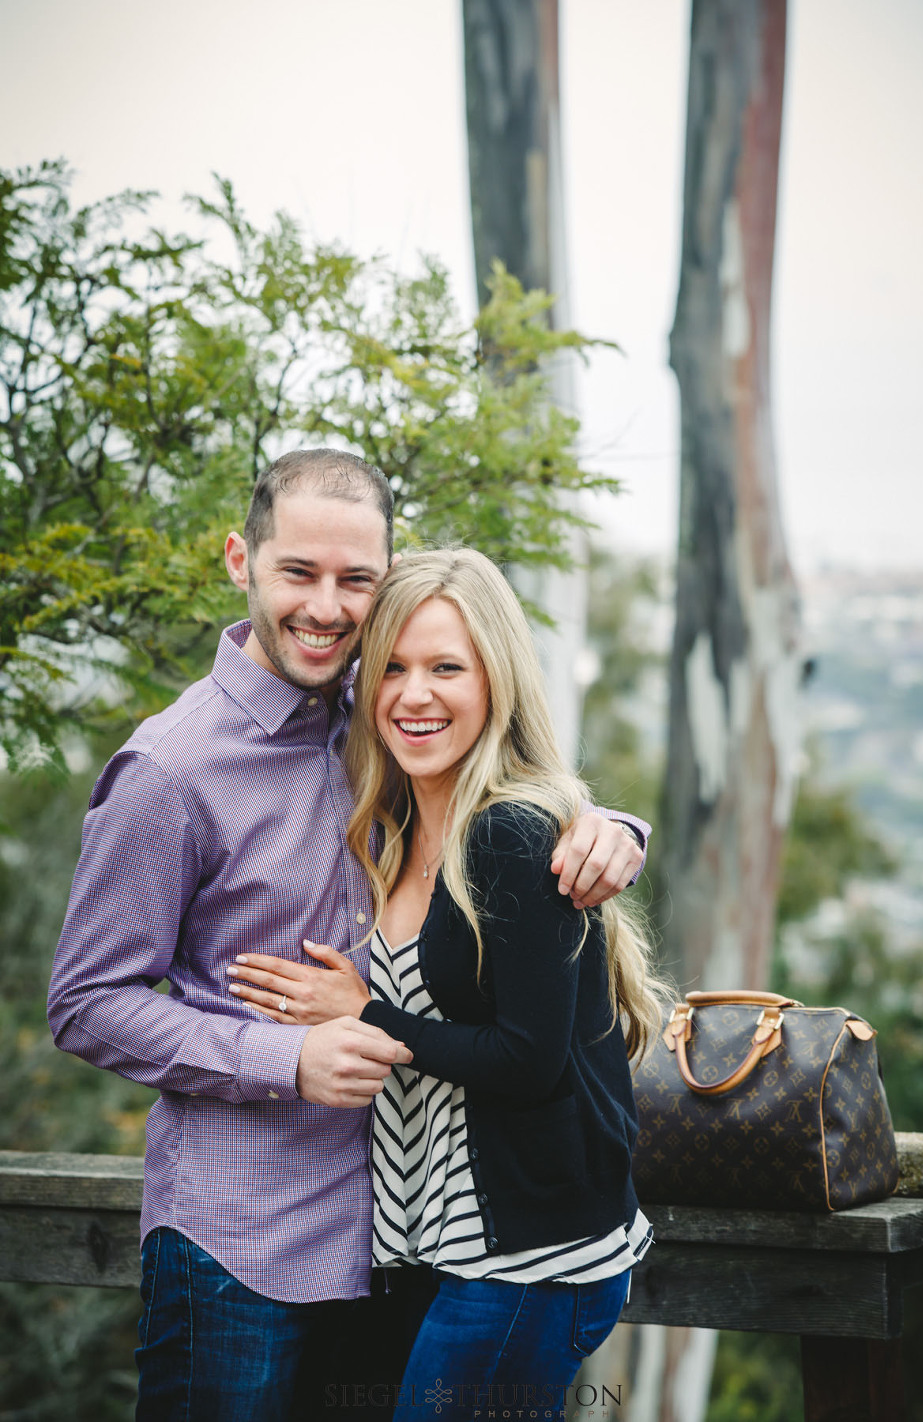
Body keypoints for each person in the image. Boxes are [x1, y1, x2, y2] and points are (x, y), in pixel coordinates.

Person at [46, 450, 650, 1422]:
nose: (326, 607)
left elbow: (489, 780)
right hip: (236, 1247)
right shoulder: (169, 771)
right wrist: (284, 1056)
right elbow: (83, 1003)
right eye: (299, 573)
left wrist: (609, 831)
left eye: (354, 580)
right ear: (241, 560)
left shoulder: (370, 720)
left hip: (386, 1244)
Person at [228, 547, 665, 1419]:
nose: (413, 694)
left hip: (527, 1263)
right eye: (391, 667)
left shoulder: (509, 836)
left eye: (445, 668)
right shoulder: (387, 829)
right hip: (427, 1250)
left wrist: (368, 1015)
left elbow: (530, 1061)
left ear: (495, 681)